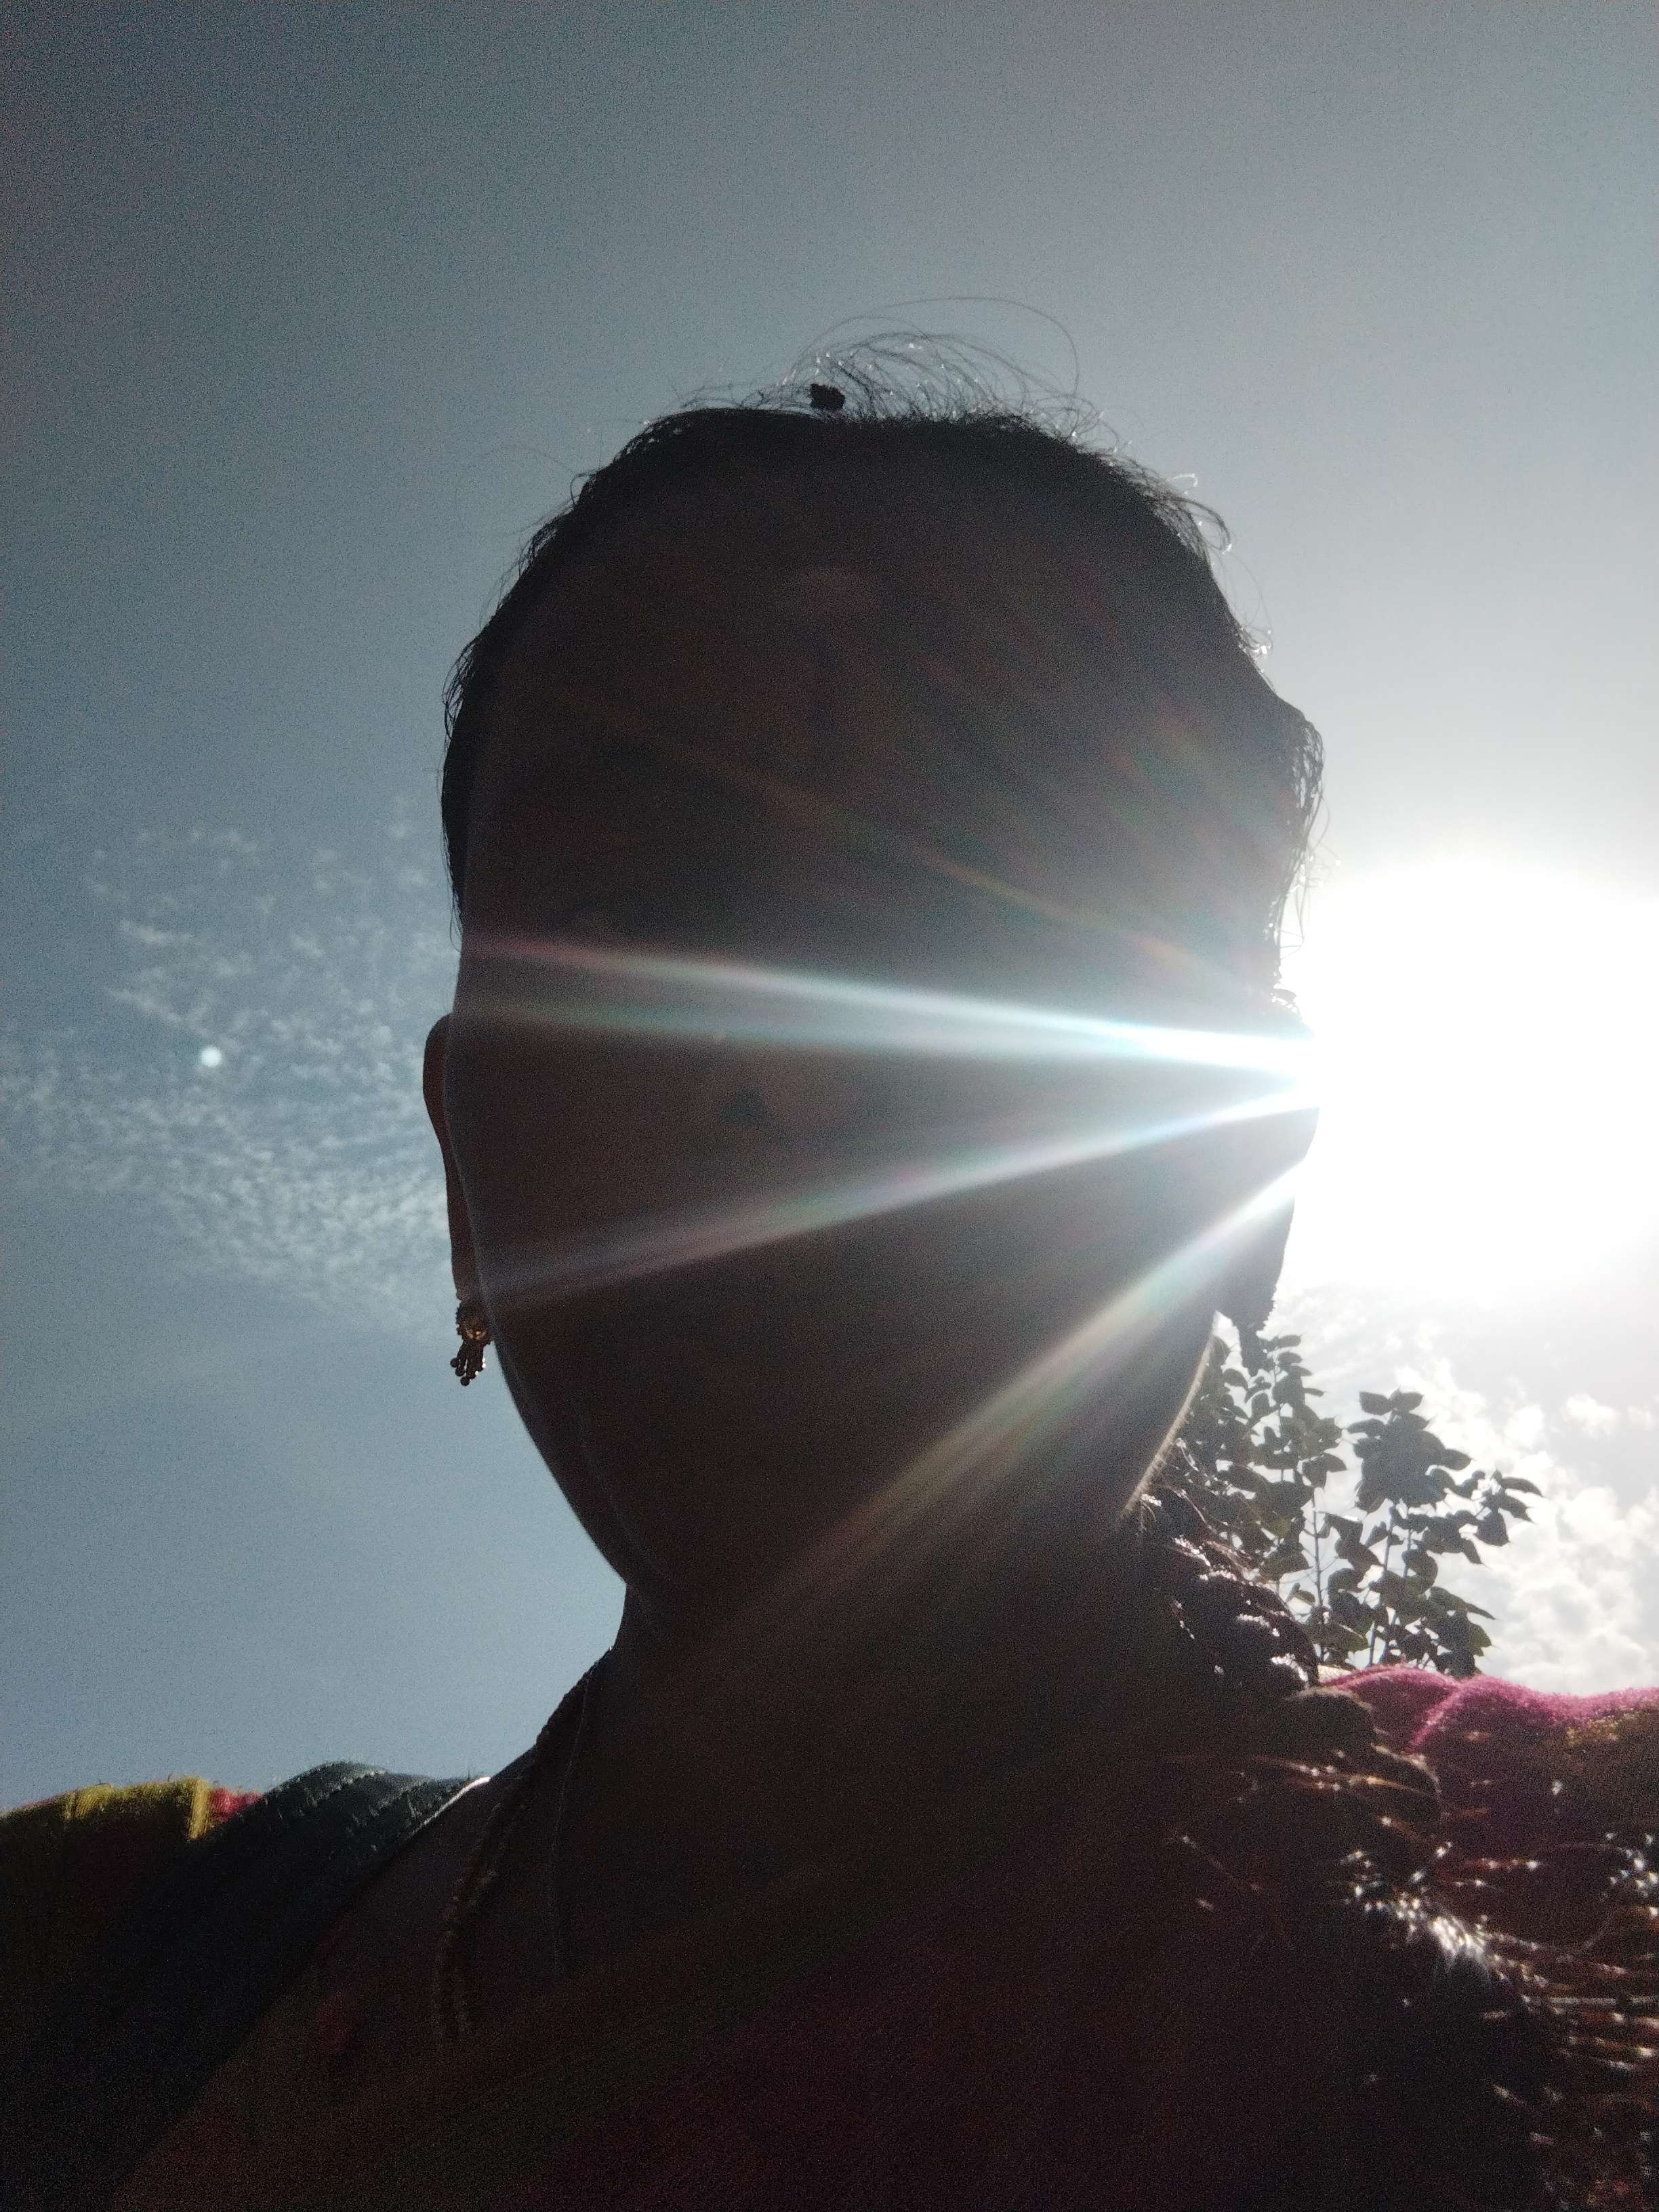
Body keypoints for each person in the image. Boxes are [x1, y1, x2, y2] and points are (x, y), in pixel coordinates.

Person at [3, 354, 1655, 2210]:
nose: (800, 1065)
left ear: (1246, 1156)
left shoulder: (1604, 1868)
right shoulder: (87, 1964)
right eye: (637, 913)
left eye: (1006, 907)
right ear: (469, 1173)